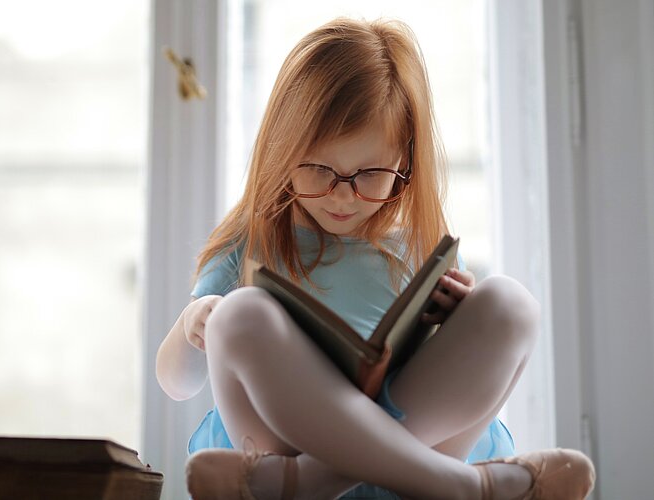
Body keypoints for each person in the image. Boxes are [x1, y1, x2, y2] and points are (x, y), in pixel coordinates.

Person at [155, 17, 595, 500]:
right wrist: (194, 324)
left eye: (370, 174)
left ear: (404, 163)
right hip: (281, 447)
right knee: (238, 316)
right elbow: (177, 382)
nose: (342, 196)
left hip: (311, 475)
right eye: (320, 169)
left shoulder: (423, 244)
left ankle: (313, 482)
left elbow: (468, 363)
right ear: (282, 154)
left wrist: (459, 322)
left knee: (511, 304)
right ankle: (470, 489)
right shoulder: (253, 242)